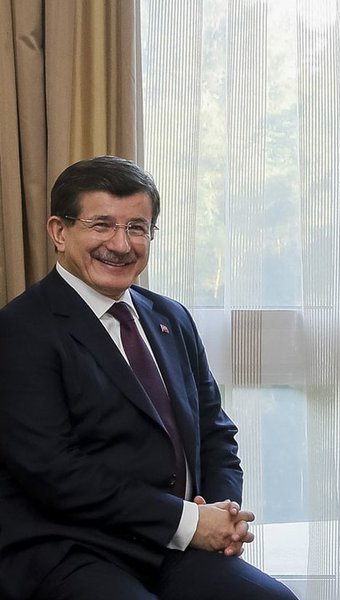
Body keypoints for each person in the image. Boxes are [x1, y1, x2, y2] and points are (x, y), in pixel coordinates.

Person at [0, 156, 297, 599]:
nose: (120, 245)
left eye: (137, 227)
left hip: (171, 546)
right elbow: (56, 473)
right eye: (102, 225)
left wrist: (221, 514)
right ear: (59, 232)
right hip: (70, 546)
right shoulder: (20, 330)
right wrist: (191, 524)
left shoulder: (170, 317)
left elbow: (216, 433)